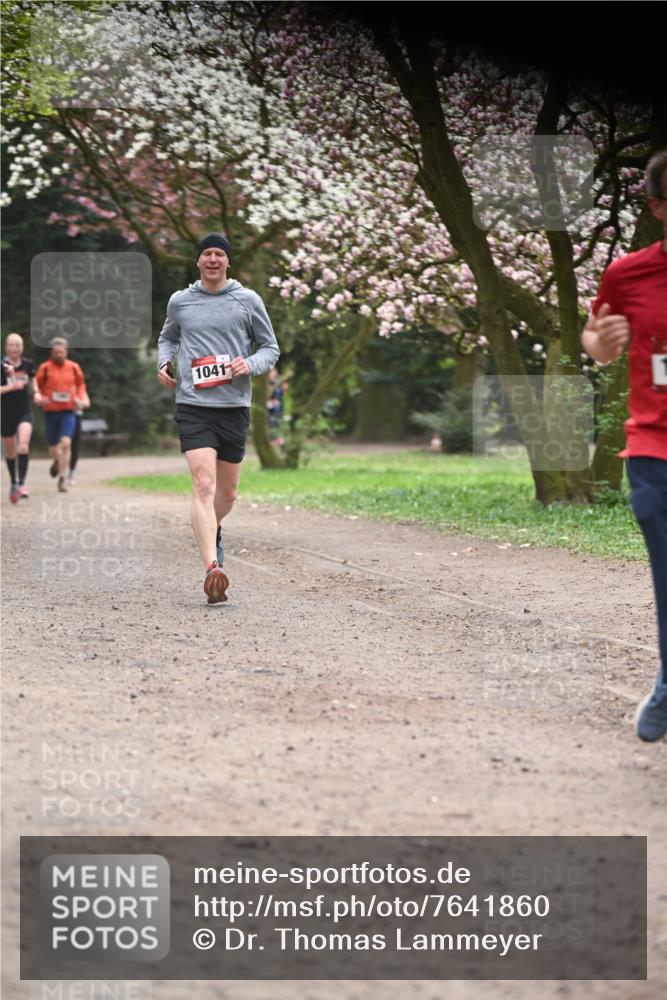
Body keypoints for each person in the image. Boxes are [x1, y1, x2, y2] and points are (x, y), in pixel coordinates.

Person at [583, 149, 667, 743]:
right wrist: (600, 341)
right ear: (660, 208)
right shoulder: (629, 273)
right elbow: (597, 338)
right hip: (656, 446)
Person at [157, 233, 280, 604]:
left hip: (234, 406)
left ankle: (214, 526)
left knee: (226, 494)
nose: (212, 259)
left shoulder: (247, 300)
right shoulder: (181, 301)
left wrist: (251, 364)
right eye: (206, 254)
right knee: (204, 485)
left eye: (219, 254)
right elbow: (167, 338)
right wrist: (163, 363)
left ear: (228, 262)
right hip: (193, 404)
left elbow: (270, 347)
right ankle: (213, 568)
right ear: (198, 262)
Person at [35, 337, 90, 493]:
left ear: (66, 352)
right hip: (50, 412)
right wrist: (40, 398)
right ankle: (57, 461)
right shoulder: (44, 368)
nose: (59, 355)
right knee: (54, 449)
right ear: (51, 353)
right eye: (56, 352)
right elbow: (36, 387)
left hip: (68, 411)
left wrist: (79, 398)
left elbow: (81, 385)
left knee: (66, 443)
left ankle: (62, 478)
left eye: (62, 352)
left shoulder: (74, 368)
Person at [1, 333, 39, 503]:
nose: (15, 348)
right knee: (10, 452)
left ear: (22, 347)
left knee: (23, 445)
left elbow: (33, 382)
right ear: (6, 347)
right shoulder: (1, 365)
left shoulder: (28, 364)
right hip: (6, 412)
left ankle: (22, 484)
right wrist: (11, 387)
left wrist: (37, 394)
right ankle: (14, 482)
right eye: (12, 344)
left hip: (25, 410)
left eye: (18, 345)